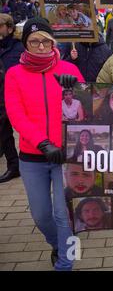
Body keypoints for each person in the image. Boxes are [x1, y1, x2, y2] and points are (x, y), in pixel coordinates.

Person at [5, 17, 84, 270]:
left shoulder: (68, 69)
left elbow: (90, 106)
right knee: (41, 216)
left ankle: (66, 263)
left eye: (45, 41)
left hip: (66, 155)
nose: (40, 47)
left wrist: (78, 89)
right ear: (25, 44)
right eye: (34, 42)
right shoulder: (14, 74)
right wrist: (42, 143)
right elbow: (16, 114)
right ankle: (59, 245)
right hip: (33, 156)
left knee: (64, 215)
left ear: (53, 42)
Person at [0, 13, 24, 183]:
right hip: (1, 96)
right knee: (4, 132)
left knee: (24, 130)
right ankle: (13, 165)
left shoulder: (19, 47)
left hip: (18, 95)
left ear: (9, 28)